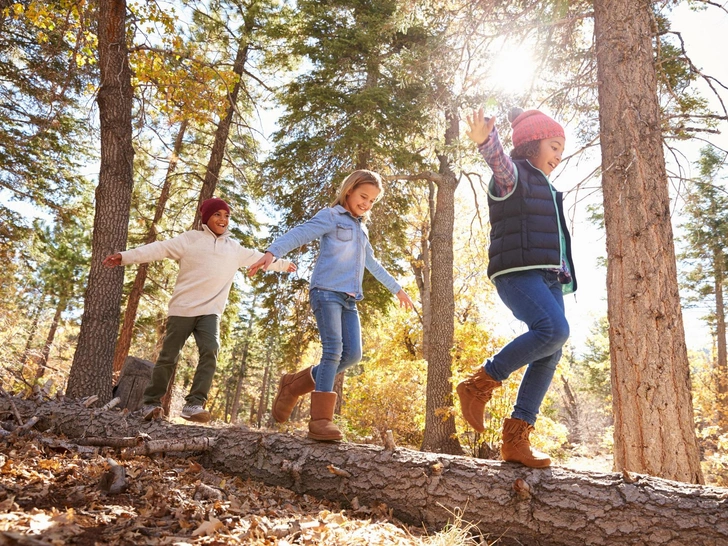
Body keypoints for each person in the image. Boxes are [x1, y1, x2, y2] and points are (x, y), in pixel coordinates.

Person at [248, 170, 415, 441]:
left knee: (353, 355)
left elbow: (371, 263)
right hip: (326, 291)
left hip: (349, 299)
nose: (367, 204)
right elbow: (300, 233)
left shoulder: (361, 229)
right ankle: (321, 420)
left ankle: (294, 385)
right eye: (363, 196)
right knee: (333, 350)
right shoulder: (331, 216)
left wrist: (397, 289)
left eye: (373, 201)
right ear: (349, 191)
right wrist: (272, 252)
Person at [103, 197, 296, 423]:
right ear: (207, 217)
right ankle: (151, 403)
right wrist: (124, 257)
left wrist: (283, 265)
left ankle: (194, 403)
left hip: (210, 312)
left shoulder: (234, 249)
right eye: (217, 215)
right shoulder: (190, 240)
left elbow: (260, 258)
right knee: (168, 357)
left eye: (226, 215)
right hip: (182, 309)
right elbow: (159, 249)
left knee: (211, 349)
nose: (223, 219)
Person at [457, 107, 577, 468]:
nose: (559, 155)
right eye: (554, 146)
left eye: (561, 149)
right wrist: (486, 141)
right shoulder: (515, 176)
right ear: (530, 146)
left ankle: (516, 439)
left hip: (549, 277)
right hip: (517, 273)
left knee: (551, 349)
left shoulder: (549, 187)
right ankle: (479, 384)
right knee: (553, 329)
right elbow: (498, 162)